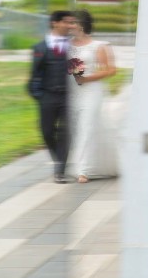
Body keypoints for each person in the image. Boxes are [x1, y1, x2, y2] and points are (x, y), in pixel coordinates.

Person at [66, 10, 118, 183]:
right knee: (76, 127)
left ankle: (83, 170)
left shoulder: (99, 46)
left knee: (86, 126)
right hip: (73, 92)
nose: (69, 26)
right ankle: (92, 162)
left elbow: (111, 70)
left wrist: (86, 78)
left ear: (81, 25)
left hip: (92, 91)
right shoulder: (66, 46)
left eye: (73, 22)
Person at [28, 10, 75, 184]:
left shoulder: (74, 47)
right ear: (55, 23)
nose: (70, 26)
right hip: (47, 95)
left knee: (65, 132)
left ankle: (60, 169)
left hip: (68, 97)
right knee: (47, 131)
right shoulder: (40, 48)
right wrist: (38, 95)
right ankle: (59, 159)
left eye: (71, 22)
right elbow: (34, 74)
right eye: (66, 22)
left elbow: (79, 72)